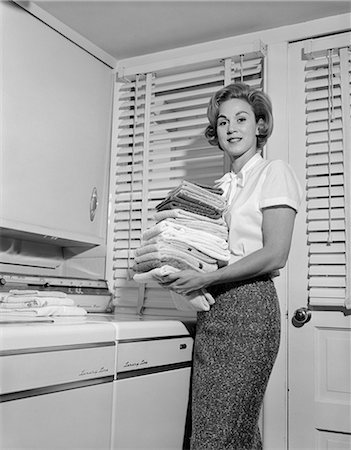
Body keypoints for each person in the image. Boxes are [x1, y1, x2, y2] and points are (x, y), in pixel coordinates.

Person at [161, 82, 303, 449]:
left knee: (221, 435)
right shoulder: (219, 188)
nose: (232, 128)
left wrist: (208, 276)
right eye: (223, 122)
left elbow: (275, 253)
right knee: (223, 430)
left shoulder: (274, 172)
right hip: (213, 312)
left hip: (251, 311)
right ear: (216, 132)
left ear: (259, 126)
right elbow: (200, 247)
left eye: (242, 119)